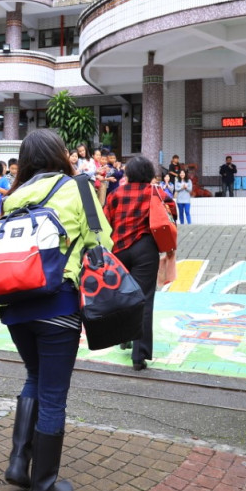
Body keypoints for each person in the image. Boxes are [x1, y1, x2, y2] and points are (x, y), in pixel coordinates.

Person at [0, 129, 111, 491]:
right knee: (53, 396)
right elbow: (102, 242)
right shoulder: (77, 187)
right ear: (59, 155)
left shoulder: (12, 196)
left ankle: (19, 464)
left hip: (13, 305)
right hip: (58, 304)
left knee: (33, 375)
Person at [104, 155, 161, 372]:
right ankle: (139, 356)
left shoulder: (116, 193)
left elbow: (105, 220)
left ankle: (124, 337)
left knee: (124, 296)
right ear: (148, 174)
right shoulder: (155, 192)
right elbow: (171, 213)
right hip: (146, 249)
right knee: (144, 300)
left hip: (119, 249)